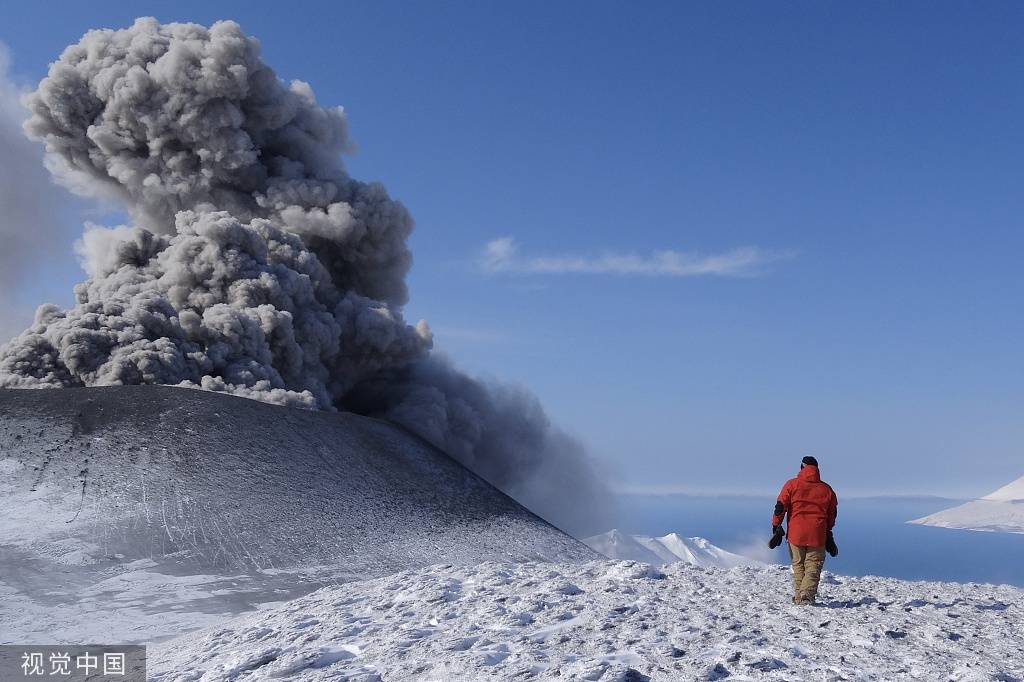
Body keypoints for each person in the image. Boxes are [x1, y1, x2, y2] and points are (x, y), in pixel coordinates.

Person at [768, 455, 839, 605]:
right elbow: (831, 514)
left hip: (796, 533)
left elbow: (780, 507)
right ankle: (806, 594)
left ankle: (800, 596)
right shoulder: (827, 489)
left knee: (798, 564)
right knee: (813, 564)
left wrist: (776, 526)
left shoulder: (791, 485)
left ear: (802, 467)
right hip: (817, 534)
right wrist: (828, 532)